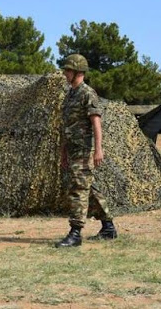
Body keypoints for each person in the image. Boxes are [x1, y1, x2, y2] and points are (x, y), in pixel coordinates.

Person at [56, 54, 118, 248]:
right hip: (73, 151)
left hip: (84, 151)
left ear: (77, 72)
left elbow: (96, 123)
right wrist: (64, 152)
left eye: (68, 70)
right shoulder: (70, 95)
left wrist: (98, 149)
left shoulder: (87, 93)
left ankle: (75, 233)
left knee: (78, 190)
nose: (65, 73)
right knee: (89, 189)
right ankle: (108, 227)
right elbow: (67, 127)